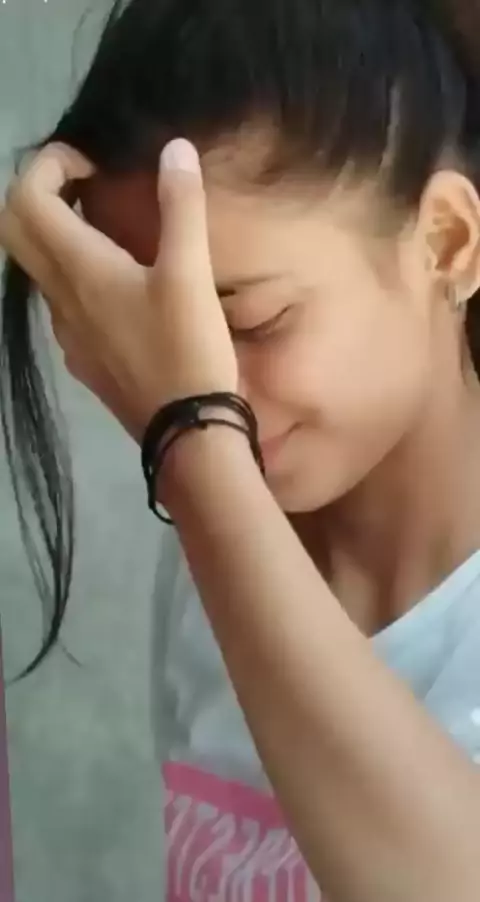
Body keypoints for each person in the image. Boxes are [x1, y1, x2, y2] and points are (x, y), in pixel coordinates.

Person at [1, 0, 480, 899]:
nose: (206, 390)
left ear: (446, 243)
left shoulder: (210, 483)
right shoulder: (212, 551)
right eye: (156, 338)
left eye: (252, 320)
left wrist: (191, 432)